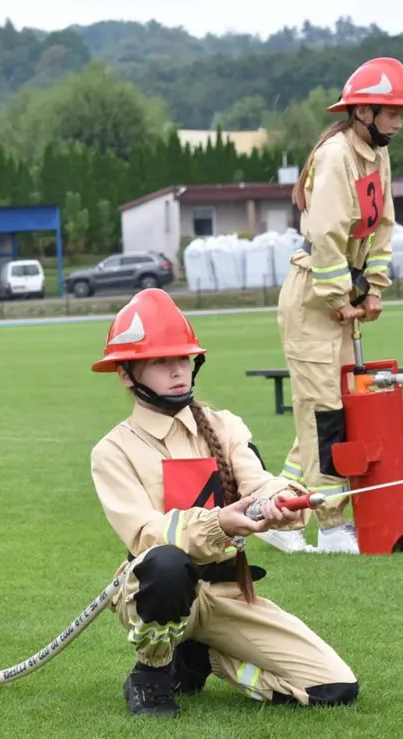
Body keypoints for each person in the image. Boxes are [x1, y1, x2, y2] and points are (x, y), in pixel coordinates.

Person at [89, 288, 360, 718]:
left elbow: (258, 481)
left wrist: (281, 500)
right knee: (166, 564)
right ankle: (152, 675)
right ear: (126, 374)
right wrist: (221, 524)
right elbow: (147, 536)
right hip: (153, 592)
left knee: (335, 688)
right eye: (160, 361)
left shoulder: (224, 425)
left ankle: (201, 658)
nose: (177, 371)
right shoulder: (113, 451)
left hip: (229, 593)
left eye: (183, 359)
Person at [259, 57, 403, 556]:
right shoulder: (335, 157)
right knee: (324, 415)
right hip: (313, 299)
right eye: (392, 112)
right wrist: (338, 297)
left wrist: (374, 289)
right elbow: (325, 234)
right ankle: (330, 525)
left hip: (344, 294)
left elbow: (382, 226)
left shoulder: (376, 155)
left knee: (332, 413)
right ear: (363, 112)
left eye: (401, 113)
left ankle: (279, 512)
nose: (399, 122)